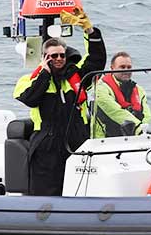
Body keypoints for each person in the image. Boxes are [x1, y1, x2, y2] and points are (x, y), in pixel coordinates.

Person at [12, 26, 106, 196]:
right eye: (53, 56)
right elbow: (30, 99)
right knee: (47, 191)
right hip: (48, 144)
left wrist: (90, 32)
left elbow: (96, 60)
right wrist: (45, 74)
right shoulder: (28, 80)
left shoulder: (77, 78)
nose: (59, 59)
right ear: (44, 57)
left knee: (81, 188)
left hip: (76, 141)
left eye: (62, 55)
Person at [89, 50, 151, 138]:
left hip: (134, 137)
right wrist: (139, 129)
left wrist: (143, 129)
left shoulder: (139, 90)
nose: (126, 70)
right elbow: (115, 111)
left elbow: (147, 114)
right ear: (112, 68)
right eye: (122, 67)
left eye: (129, 67)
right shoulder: (100, 89)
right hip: (105, 139)